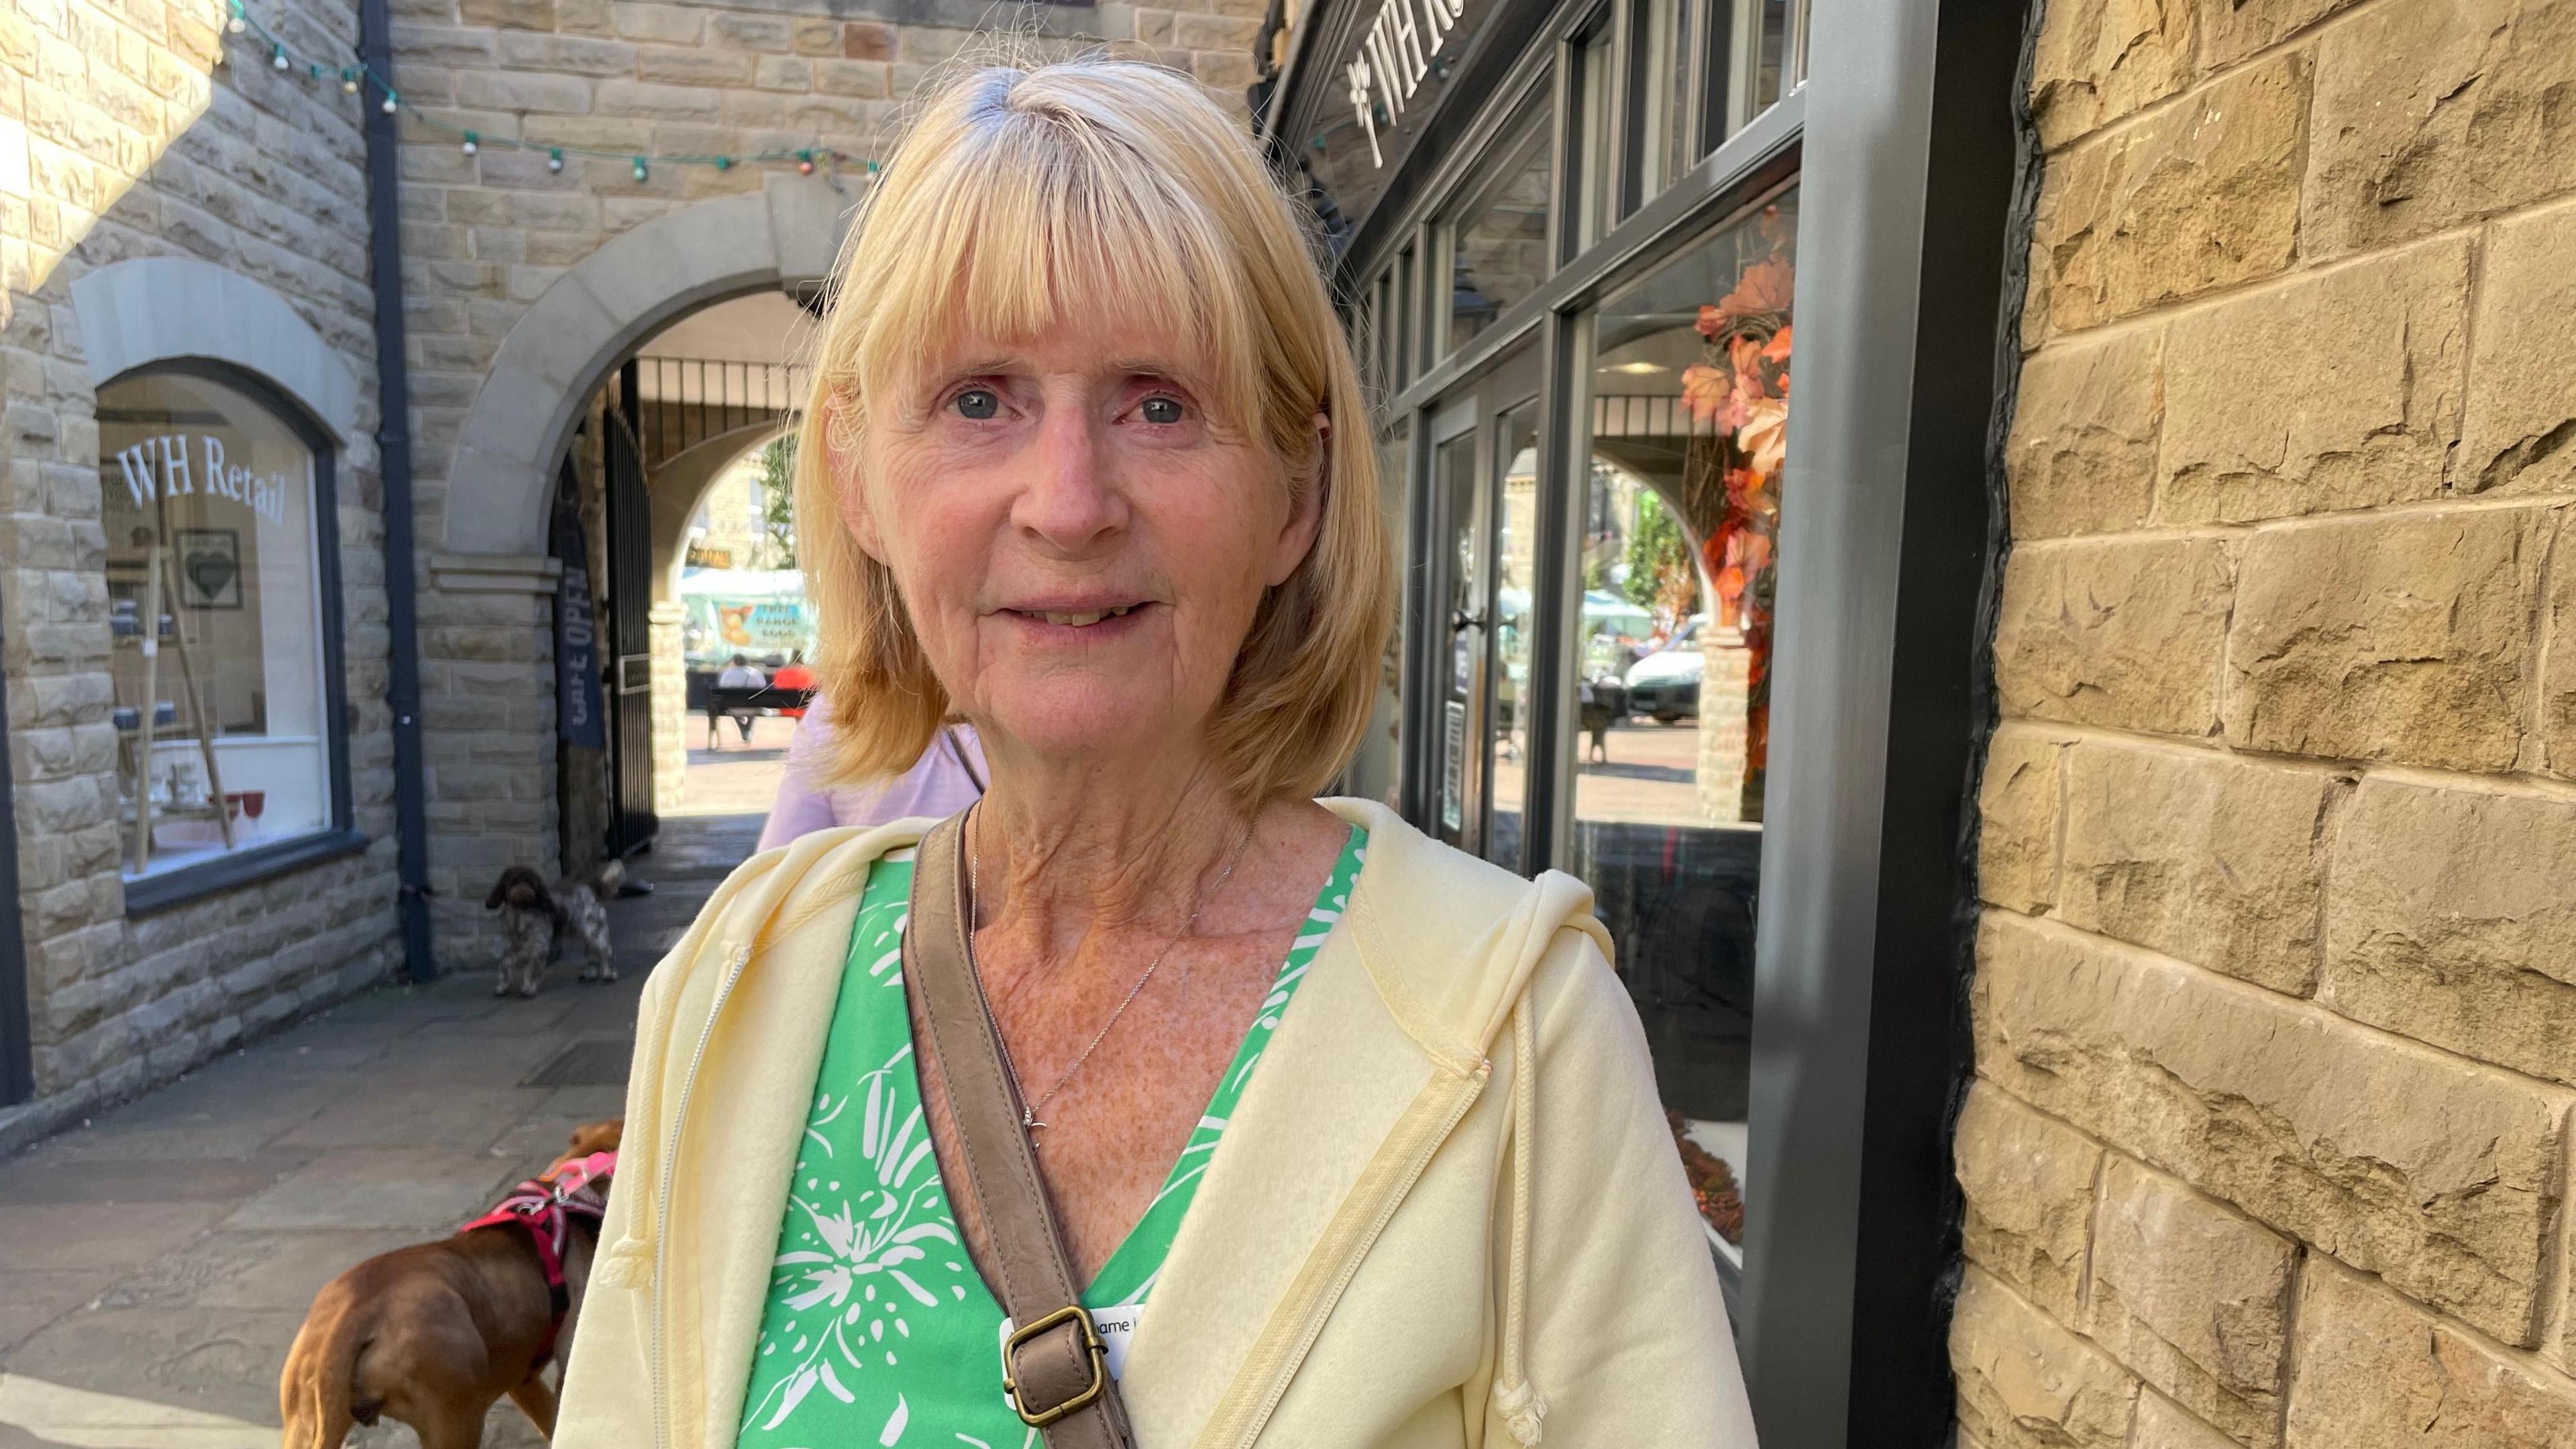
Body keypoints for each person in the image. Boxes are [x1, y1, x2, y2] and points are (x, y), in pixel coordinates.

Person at [558, 58, 1753, 1448]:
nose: (1068, 504)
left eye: (1160, 404)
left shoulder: (1514, 1036)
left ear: (1296, 497)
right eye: (981, 400)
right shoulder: (740, 988)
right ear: (856, 478)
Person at [755, 692, 983, 849]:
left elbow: (780, 864)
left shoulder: (840, 709)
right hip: (987, 907)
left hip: (876, 914)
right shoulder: (1000, 697)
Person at [711, 652, 763, 746]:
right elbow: (763, 687)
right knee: (754, 704)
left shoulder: (728, 674)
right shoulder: (757, 673)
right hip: (754, 708)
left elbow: (722, 688)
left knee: (733, 706)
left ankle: (744, 730)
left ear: (735, 662)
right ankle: (747, 730)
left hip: (734, 708)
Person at [768, 648, 816, 720]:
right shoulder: (807, 671)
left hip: (784, 707)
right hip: (801, 708)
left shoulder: (782, 670)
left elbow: (777, 685)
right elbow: (812, 687)